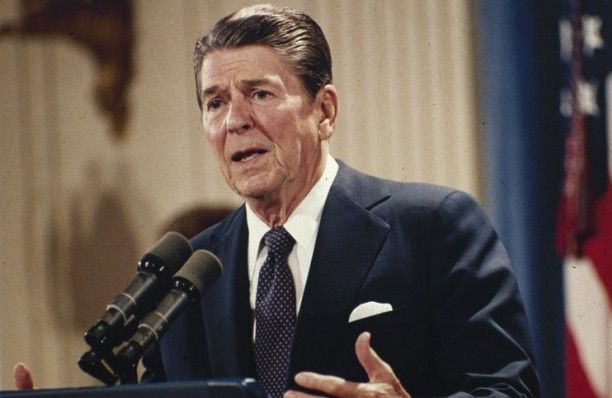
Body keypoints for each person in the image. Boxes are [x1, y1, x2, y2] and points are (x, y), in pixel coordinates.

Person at [15, 4, 539, 397]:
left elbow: (509, 389)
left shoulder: (432, 227)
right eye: (214, 102)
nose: (235, 120)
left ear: (325, 110)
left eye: (260, 94)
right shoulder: (193, 273)